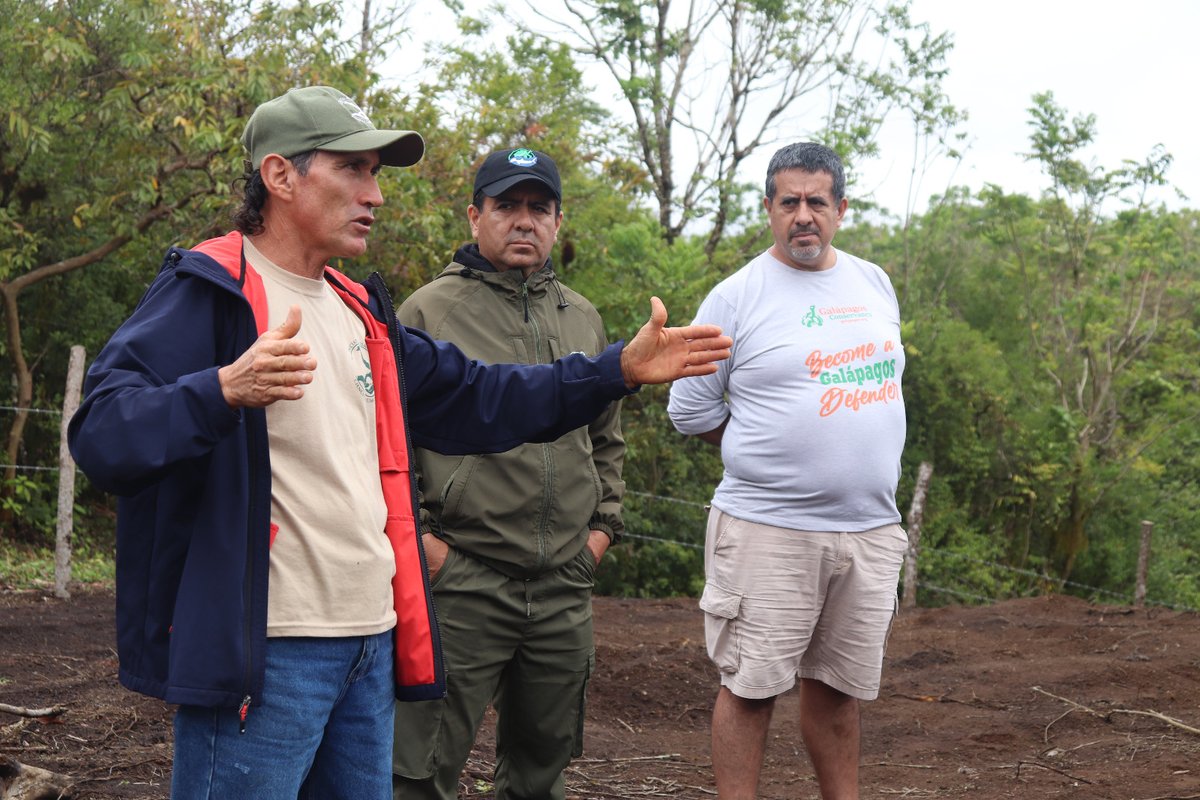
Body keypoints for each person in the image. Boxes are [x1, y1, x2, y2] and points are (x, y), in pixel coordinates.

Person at [67, 85, 731, 800]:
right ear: (281, 176)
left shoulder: (360, 312)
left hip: (370, 643)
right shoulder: (211, 290)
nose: (375, 195)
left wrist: (616, 371)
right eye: (354, 170)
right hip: (269, 654)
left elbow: (485, 397)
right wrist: (223, 389)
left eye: (376, 174)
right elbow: (102, 433)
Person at [666, 142, 907, 800]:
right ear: (768, 208)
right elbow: (689, 409)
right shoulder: (736, 296)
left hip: (869, 529)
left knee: (839, 690)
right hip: (768, 529)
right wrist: (765, 447)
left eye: (817, 202)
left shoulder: (873, 282)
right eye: (789, 202)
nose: (804, 216)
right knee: (750, 688)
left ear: (842, 209)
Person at [390, 148, 622, 799]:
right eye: (506, 206)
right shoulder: (426, 314)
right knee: (418, 768)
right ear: (474, 216)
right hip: (462, 576)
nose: (523, 221)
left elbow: (605, 437)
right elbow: (386, 442)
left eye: (538, 208)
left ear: (557, 220)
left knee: (542, 767)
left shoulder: (582, 315)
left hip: (562, 586)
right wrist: (425, 547)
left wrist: (601, 531)